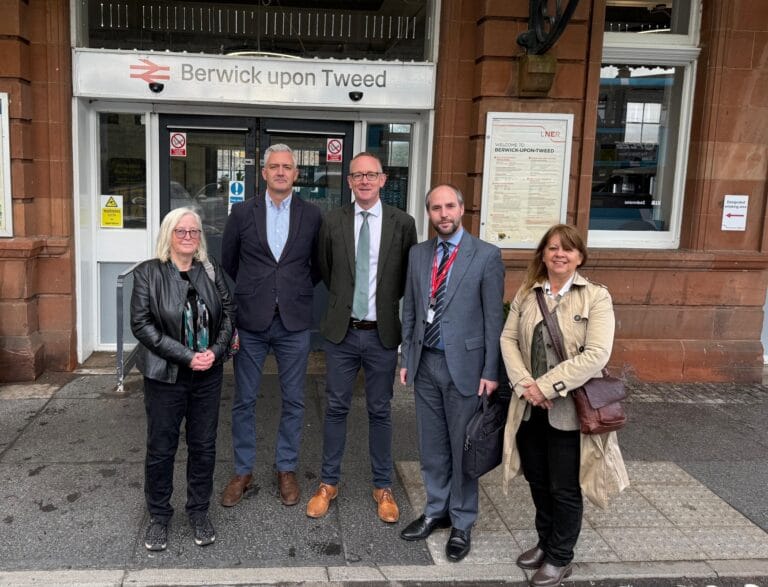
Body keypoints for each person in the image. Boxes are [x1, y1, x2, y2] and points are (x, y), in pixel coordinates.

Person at [500, 224, 627, 587]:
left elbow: (596, 354)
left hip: (568, 411)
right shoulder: (529, 292)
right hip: (528, 406)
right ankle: (544, 543)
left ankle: (560, 557)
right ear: (543, 254)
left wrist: (546, 387)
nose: (559, 254)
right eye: (553, 248)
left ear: (579, 257)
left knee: (564, 486)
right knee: (538, 480)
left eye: (567, 249)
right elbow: (508, 338)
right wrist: (525, 386)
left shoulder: (596, 297)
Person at [306, 152, 418, 523]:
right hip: (343, 333)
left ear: (383, 180)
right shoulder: (333, 221)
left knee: (380, 410)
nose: (365, 181)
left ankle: (382, 486)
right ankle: (328, 483)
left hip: (381, 333)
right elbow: (325, 268)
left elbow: (406, 277)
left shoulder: (403, 223)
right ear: (350, 181)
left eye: (371, 175)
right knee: (336, 407)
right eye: (358, 175)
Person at [398, 184, 505, 562]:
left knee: (463, 448)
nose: (443, 214)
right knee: (431, 446)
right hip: (425, 362)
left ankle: (462, 521)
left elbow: (495, 320)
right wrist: (406, 357)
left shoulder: (486, 256)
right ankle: (436, 510)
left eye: (449, 207)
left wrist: (492, 370)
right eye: (435, 208)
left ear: (461, 209)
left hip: (466, 367)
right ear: (428, 213)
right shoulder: (418, 254)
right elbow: (410, 308)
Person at [220, 144, 322, 508]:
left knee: (294, 400)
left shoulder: (312, 215)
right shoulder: (242, 211)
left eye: (287, 167)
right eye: (274, 167)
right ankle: (243, 470)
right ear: (263, 173)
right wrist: (258, 290)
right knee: (244, 400)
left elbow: (319, 265)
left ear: (296, 174)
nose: (280, 172)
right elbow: (229, 261)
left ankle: (286, 468)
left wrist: (291, 290)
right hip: (251, 321)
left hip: (294, 322)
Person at [130, 207, 235, 551]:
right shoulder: (149, 273)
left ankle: (199, 511)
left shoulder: (210, 269)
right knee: (162, 448)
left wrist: (214, 354)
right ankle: (159, 516)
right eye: (181, 231)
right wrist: (187, 356)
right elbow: (142, 325)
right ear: (168, 235)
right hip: (166, 376)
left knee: (204, 446)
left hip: (208, 374)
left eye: (194, 231)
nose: (188, 237)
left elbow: (229, 313)